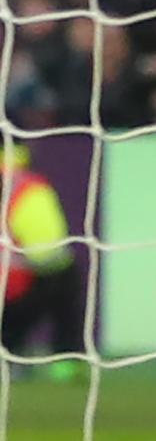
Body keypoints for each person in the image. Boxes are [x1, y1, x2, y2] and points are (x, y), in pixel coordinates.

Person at [0, 145, 84, 382]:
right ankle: (64, 360)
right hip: (16, 277)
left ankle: (13, 352)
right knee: (63, 275)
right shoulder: (27, 188)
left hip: (13, 275)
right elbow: (47, 252)